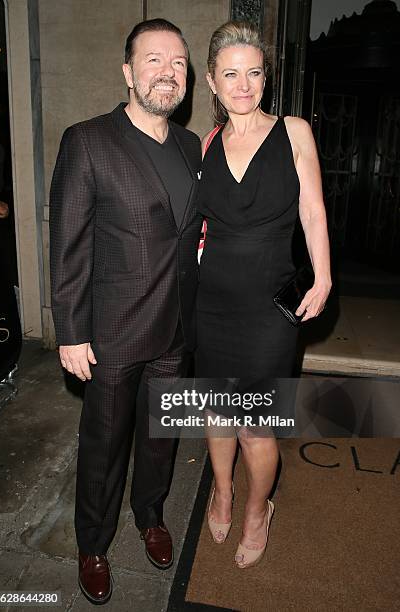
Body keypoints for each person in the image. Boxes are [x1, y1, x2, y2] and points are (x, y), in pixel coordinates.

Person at [50, 19, 201, 605]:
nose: (168, 72)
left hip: (176, 329)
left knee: (161, 438)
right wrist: (70, 331)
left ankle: (151, 516)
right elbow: (68, 242)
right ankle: (93, 544)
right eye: (155, 60)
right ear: (127, 72)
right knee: (104, 446)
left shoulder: (192, 147)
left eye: (179, 63)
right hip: (111, 334)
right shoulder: (88, 140)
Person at [195, 21, 331, 569]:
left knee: (255, 422)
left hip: (271, 304)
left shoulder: (294, 132)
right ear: (212, 81)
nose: (243, 84)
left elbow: (314, 210)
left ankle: (257, 508)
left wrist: (323, 276)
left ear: (265, 77)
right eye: (231, 74)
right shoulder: (204, 144)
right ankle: (222, 492)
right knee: (217, 412)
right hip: (212, 301)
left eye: (253, 72)